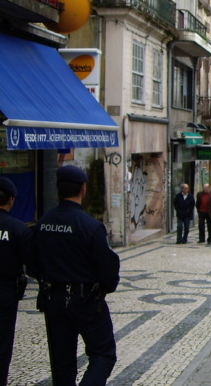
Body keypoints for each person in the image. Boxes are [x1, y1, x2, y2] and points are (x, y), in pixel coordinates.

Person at [28, 165, 120, 385]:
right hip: (86, 300)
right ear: (83, 189)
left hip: (53, 300)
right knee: (103, 354)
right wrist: (103, 288)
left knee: (62, 364)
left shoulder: (41, 224)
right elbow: (108, 268)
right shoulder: (90, 226)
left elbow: (31, 264)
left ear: (58, 189)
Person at [0, 177, 32, 385]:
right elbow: (32, 263)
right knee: (2, 342)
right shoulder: (18, 229)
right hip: (5, 292)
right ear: (11, 200)